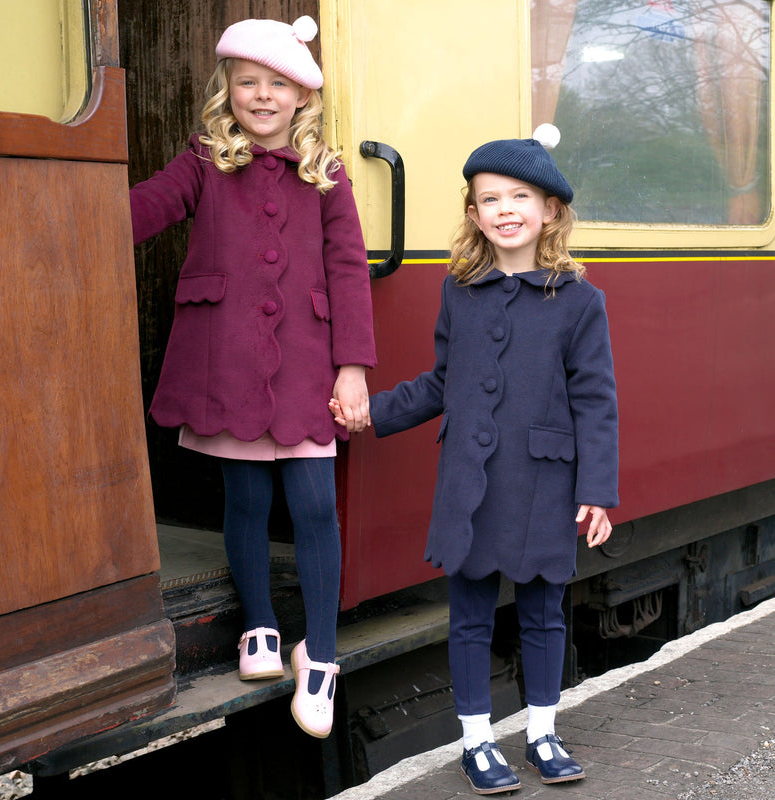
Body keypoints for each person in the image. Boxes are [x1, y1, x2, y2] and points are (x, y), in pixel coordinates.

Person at [333, 129, 618, 793]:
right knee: (468, 613)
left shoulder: (581, 301)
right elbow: (442, 381)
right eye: (490, 198)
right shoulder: (459, 291)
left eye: (521, 196)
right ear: (473, 214)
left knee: (545, 612)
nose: (506, 208)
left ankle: (543, 733)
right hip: (471, 482)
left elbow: (597, 402)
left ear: (551, 210)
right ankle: (476, 743)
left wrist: (598, 489)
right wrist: (374, 411)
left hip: (546, 480)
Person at [130, 16, 376, 740]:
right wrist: (67, 213)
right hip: (228, 361)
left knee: (313, 506)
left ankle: (321, 655)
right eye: (247, 83)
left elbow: (349, 272)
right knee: (242, 499)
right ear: (227, 90)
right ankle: (261, 628)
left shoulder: (325, 172)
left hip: (306, 364)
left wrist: (354, 369)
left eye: (278, 85)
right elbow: (150, 206)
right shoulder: (206, 159)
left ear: (303, 96)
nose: (261, 96)